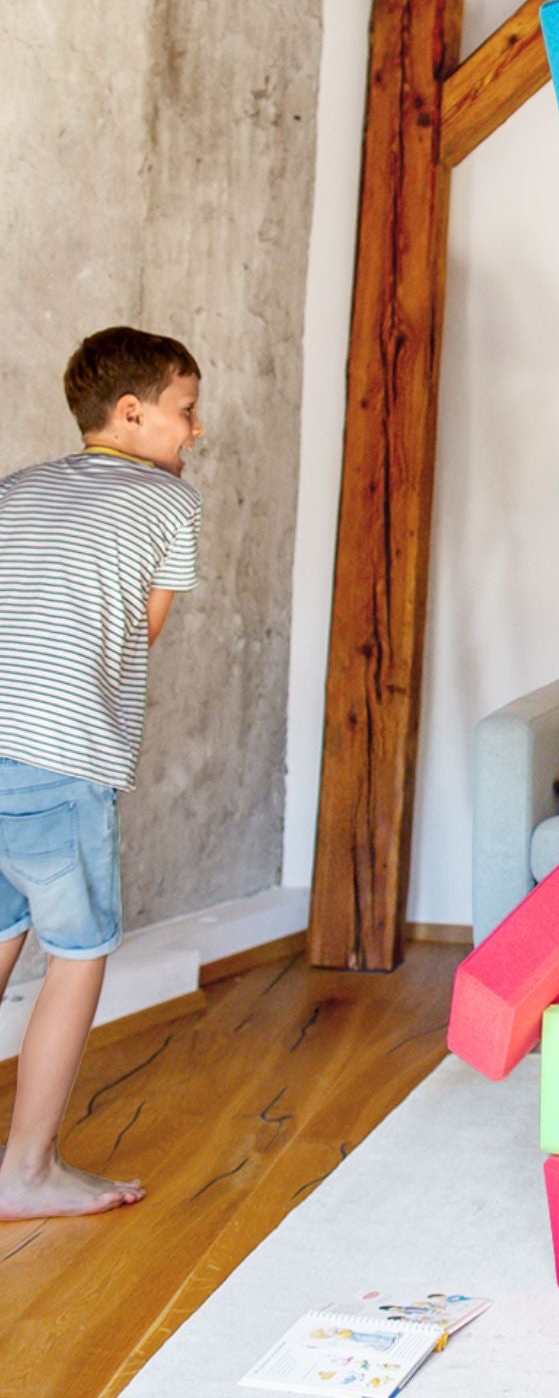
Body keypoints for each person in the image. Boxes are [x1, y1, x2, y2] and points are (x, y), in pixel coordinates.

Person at [0, 327, 204, 1219]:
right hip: (62, 753)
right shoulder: (168, 502)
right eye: (185, 411)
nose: (194, 431)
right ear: (132, 413)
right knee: (77, 954)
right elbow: (146, 628)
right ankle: (28, 1172)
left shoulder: (15, 490)